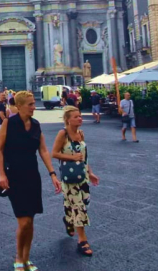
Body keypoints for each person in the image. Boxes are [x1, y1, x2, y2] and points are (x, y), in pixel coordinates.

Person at [0, 91, 62, 270]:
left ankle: (26, 258)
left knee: (30, 220)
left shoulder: (35, 124)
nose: (34, 107)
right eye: (30, 104)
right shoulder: (9, 123)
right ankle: (19, 257)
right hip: (13, 176)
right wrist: (2, 174)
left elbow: (43, 150)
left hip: (32, 175)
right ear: (19, 106)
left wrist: (52, 174)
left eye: (34, 103)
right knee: (23, 221)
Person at [52, 106, 100, 257]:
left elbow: (84, 156)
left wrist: (90, 173)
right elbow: (54, 153)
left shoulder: (81, 133)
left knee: (84, 203)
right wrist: (72, 157)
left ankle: (68, 219)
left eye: (80, 116)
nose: (80, 118)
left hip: (82, 176)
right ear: (68, 120)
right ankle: (82, 240)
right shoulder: (63, 134)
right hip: (70, 178)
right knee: (79, 207)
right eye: (76, 117)